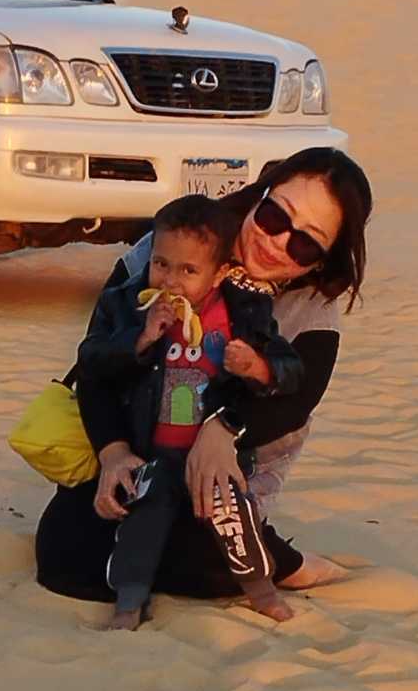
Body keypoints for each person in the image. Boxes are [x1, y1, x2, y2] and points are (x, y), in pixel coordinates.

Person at [36, 146, 373, 604]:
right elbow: (96, 367)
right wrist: (113, 453)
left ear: (320, 262)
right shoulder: (168, 251)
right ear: (261, 195)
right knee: (64, 560)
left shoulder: (312, 314)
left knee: (207, 559)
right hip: (133, 451)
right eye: (275, 217)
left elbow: (293, 406)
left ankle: (286, 562)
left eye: (304, 244)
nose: (276, 241)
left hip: (228, 472)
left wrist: (223, 428)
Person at [77, 194, 304, 630]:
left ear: (218, 273)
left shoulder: (242, 312)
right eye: (161, 264)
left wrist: (257, 366)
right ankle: (128, 603)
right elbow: (91, 361)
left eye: (188, 270)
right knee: (142, 522)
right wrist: (140, 340)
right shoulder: (128, 305)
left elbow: (291, 370)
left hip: (209, 456)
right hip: (153, 453)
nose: (171, 282)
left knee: (233, 517)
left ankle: (261, 590)